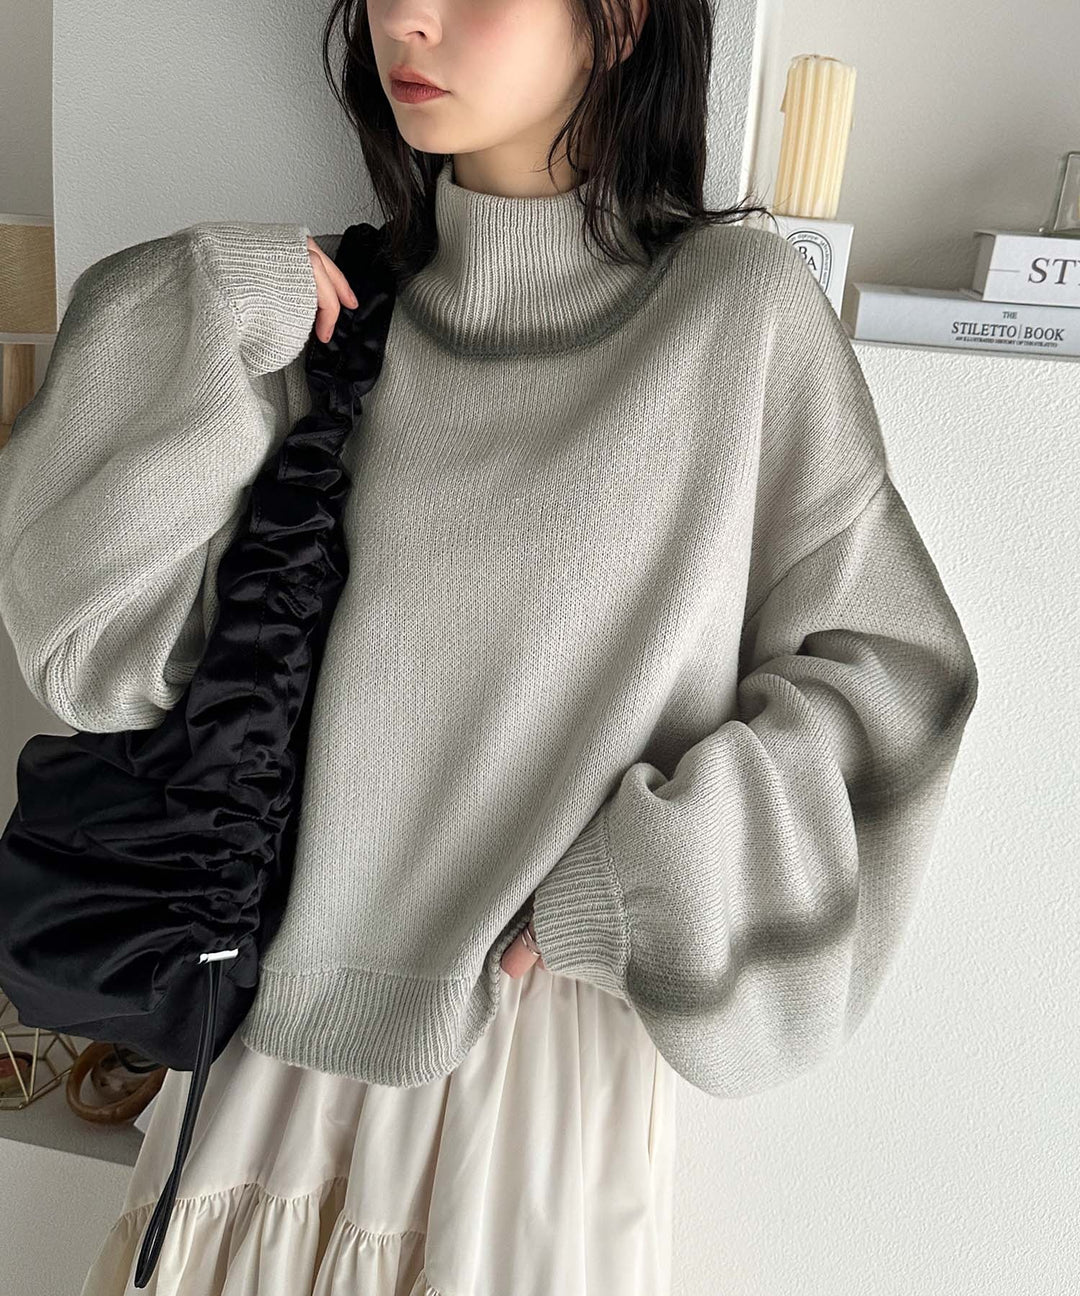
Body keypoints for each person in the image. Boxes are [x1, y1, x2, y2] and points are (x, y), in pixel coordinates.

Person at [0, 0, 978, 1290]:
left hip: (527, 1062)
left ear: (617, 22)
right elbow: (89, 650)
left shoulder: (733, 317)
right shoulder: (339, 318)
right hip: (265, 1052)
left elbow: (897, 675)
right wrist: (203, 305)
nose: (409, 18)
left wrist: (647, 880)